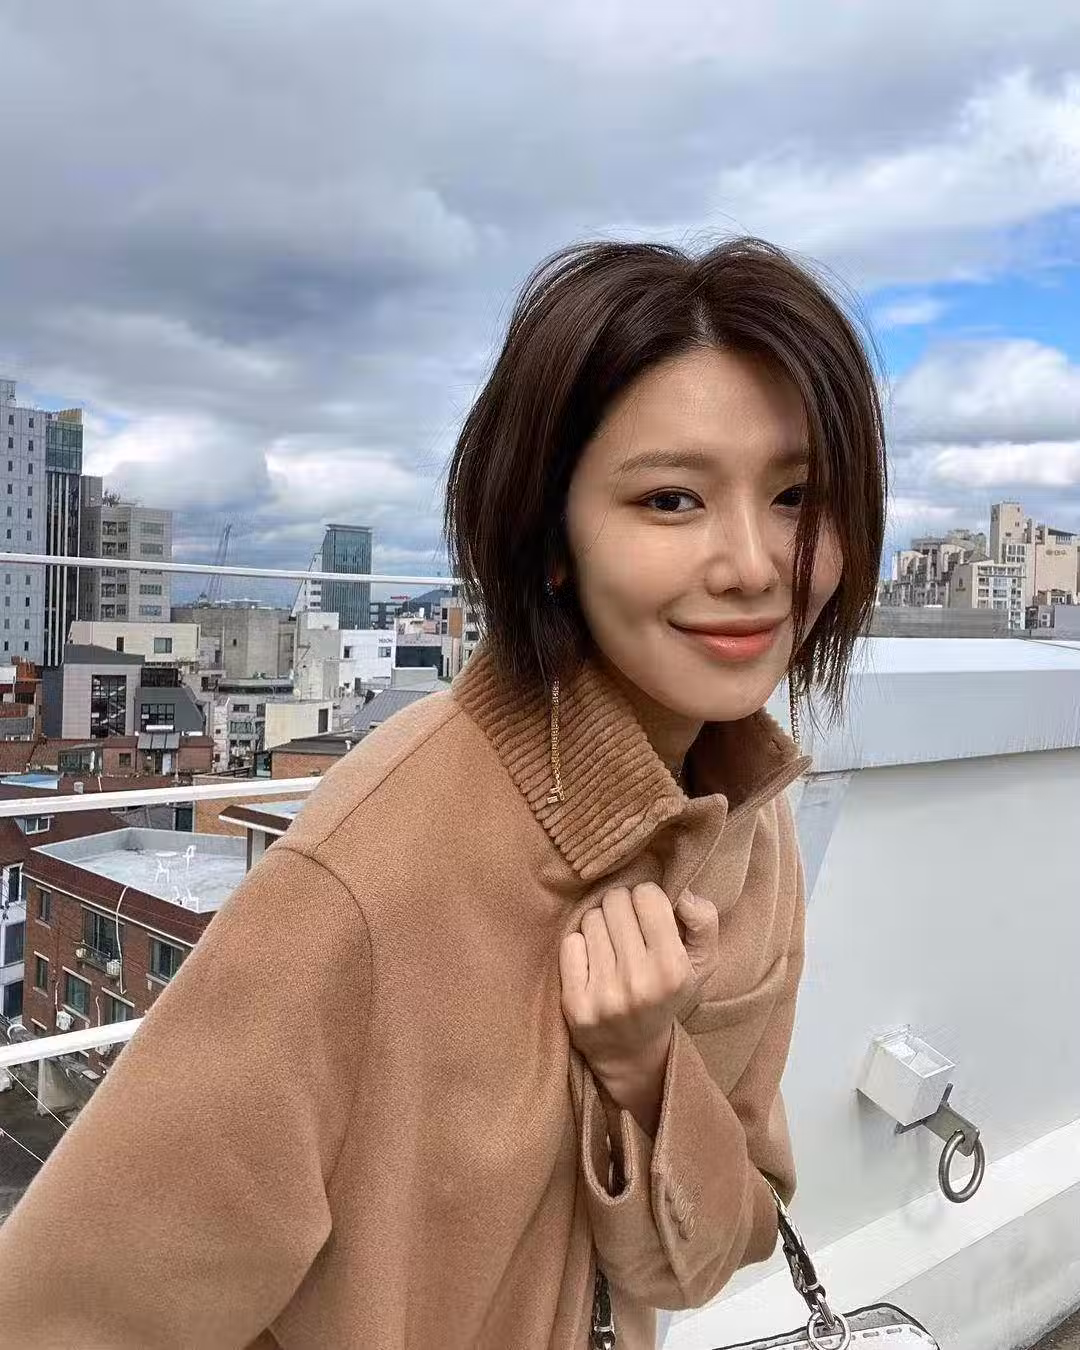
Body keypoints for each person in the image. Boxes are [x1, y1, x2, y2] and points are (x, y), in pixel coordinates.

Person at [0, 237, 885, 1349]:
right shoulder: (368, 877)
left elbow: (706, 1257)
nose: (754, 564)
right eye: (671, 499)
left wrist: (647, 1070)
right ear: (551, 537)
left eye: (798, 496)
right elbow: (67, 1314)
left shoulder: (748, 824)